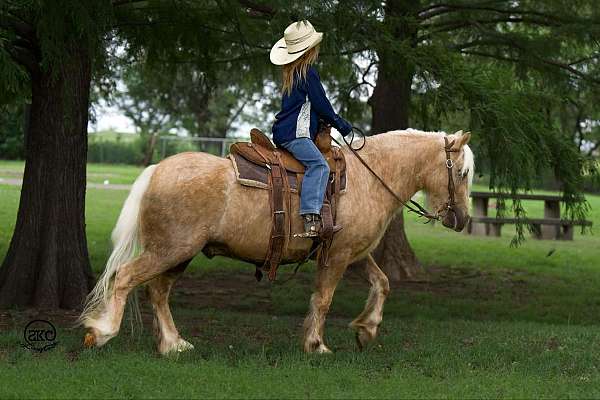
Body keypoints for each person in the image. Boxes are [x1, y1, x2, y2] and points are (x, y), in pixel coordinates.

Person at [270, 20, 353, 237]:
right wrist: (341, 124)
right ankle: (310, 216)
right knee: (320, 166)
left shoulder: (292, 73)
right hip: (296, 135)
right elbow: (321, 104)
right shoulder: (308, 72)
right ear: (310, 49)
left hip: (283, 132)